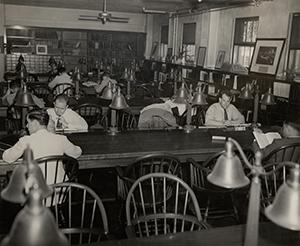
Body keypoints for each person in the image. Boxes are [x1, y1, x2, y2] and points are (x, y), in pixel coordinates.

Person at [2, 109, 82, 163]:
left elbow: (7, 158)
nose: (26, 126)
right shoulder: (61, 139)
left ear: (35, 123)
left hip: (37, 187)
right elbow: (77, 153)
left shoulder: (25, 141)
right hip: (60, 186)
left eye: (28, 122)